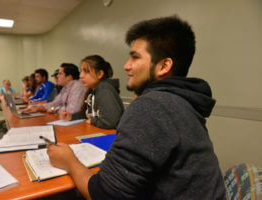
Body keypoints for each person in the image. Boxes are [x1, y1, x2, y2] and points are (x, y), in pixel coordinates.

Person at [47, 16, 226, 200]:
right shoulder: (179, 102)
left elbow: (103, 194)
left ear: (164, 66)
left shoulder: (153, 105)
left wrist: (69, 161)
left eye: (135, 57)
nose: (126, 66)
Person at [60, 55, 124, 129]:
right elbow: (90, 114)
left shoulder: (104, 89)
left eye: (86, 71)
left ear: (100, 74)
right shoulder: (92, 90)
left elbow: (110, 122)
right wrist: (72, 116)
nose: (81, 75)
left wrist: (92, 121)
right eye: (81, 71)